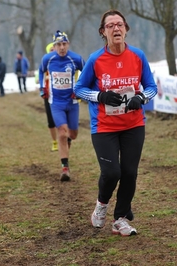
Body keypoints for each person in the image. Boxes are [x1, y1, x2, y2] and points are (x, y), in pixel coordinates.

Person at [74, 9, 157, 236]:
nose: (116, 28)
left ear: (126, 29)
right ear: (103, 32)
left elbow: (152, 87)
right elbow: (79, 88)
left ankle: (120, 218)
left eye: (119, 24)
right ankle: (101, 205)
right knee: (112, 173)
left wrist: (142, 97)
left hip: (133, 124)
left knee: (130, 173)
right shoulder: (95, 59)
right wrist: (99, 96)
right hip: (104, 127)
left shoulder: (138, 56)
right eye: (110, 26)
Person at [39, 30, 85, 181]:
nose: (62, 47)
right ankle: (65, 168)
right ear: (54, 46)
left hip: (72, 102)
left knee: (72, 134)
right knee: (62, 132)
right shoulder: (48, 59)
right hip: (56, 103)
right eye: (58, 44)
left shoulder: (76, 59)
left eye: (64, 44)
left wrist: (80, 89)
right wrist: (42, 87)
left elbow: (86, 74)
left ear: (68, 44)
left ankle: (67, 142)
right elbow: (41, 71)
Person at [36, 42, 58, 152]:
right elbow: (38, 76)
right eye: (51, 50)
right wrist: (41, 87)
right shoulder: (45, 64)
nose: (53, 52)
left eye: (54, 50)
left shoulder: (62, 63)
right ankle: (54, 142)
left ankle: (63, 138)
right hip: (48, 95)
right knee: (51, 121)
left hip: (60, 95)